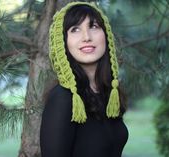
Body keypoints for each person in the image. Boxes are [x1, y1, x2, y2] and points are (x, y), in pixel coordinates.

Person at [40, 2, 128, 157]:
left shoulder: (107, 94)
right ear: (63, 43)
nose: (86, 37)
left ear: (106, 35)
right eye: (75, 29)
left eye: (93, 26)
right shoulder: (63, 98)